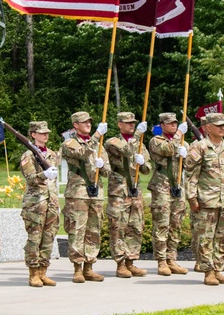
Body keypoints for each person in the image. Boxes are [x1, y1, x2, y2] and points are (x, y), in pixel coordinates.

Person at [184, 112, 224, 286]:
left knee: (222, 237)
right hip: (206, 201)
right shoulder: (199, 147)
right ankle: (208, 272)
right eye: (218, 125)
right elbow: (191, 175)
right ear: (208, 128)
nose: (222, 128)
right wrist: (192, 199)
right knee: (205, 238)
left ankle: (218, 268)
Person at [61, 111, 110, 283]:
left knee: (93, 231)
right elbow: (82, 153)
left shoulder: (99, 145)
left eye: (90, 122)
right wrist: (96, 135)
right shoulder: (69, 142)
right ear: (75, 125)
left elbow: (107, 172)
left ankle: (89, 267)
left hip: (95, 193)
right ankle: (77, 268)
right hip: (78, 193)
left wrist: (102, 165)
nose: (88, 124)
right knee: (77, 230)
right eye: (84, 122)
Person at [104, 112, 152, 278]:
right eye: (128, 123)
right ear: (119, 124)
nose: (132, 125)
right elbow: (125, 150)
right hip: (119, 191)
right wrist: (138, 135)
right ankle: (121, 264)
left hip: (135, 191)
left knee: (135, 227)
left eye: (133, 123)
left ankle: (131, 261)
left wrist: (142, 162)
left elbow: (147, 169)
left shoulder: (140, 145)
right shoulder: (112, 141)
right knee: (118, 227)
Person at [18, 121, 61, 287]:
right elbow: (29, 178)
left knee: (48, 237)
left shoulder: (52, 154)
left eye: (47, 132)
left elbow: (54, 182)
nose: (46, 135)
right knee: (35, 238)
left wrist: (56, 201)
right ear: (33, 135)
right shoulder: (27, 156)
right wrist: (43, 174)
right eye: (42, 133)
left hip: (50, 202)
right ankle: (33, 273)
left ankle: (43, 271)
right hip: (35, 204)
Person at [147, 112, 190, 276]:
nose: (174, 125)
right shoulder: (156, 141)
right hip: (162, 186)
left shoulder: (182, 143)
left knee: (176, 224)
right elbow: (167, 150)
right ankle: (161, 261)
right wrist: (179, 135)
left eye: (175, 123)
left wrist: (185, 155)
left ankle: (172, 258)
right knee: (162, 224)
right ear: (162, 125)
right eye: (170, 123)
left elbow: (190, 164)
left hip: (178, 186)